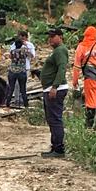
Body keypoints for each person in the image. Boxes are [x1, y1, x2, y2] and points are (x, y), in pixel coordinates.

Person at [39, 27, 69, 157]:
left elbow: (62, 69)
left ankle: (58, 148)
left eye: (53, 36)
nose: (50, 39)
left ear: (60, 37)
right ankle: (55, 146)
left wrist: (55, 86)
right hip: (50, 88)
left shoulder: (60, 51)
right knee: (51, 119)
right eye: (49, 36)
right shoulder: (56, 51)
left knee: (55, 119)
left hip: (55, 89)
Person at [5, 31, 35, 107]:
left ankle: (8, 103)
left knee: (11, 88)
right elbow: (30, 55)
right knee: (23, 89)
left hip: (12, 71)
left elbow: (10, 57)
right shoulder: (24, 51)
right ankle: (25, 104)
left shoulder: (12, 51)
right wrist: (26, 47)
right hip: (22, 71)